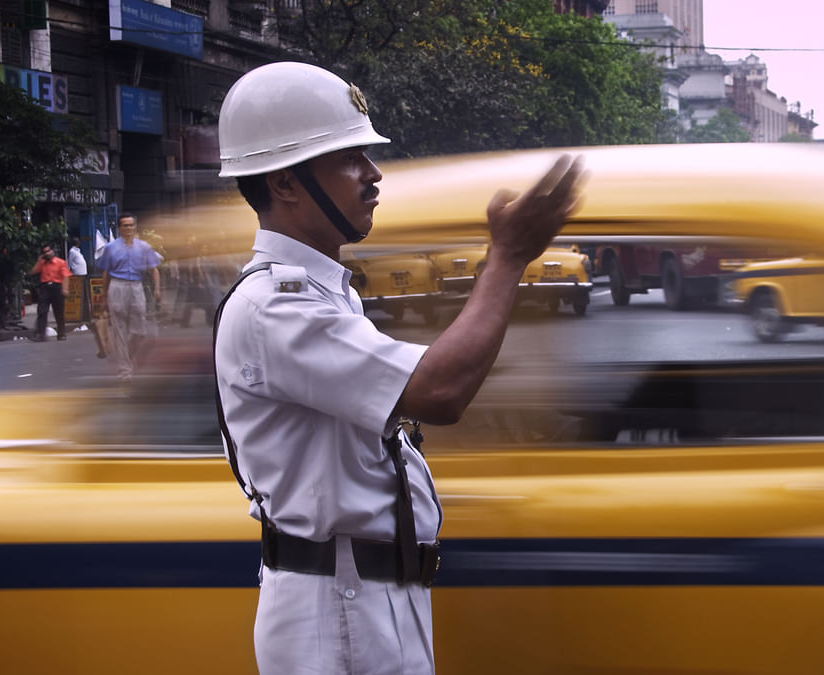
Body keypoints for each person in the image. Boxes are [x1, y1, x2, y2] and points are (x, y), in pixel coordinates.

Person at [213, 62, 583, 675]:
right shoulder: (274, 307)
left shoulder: (325, 294)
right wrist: (510, 255)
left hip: (366, 596)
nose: (373, 174)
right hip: (337, 612)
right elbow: (440, 389)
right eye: (351, 158)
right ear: (284, 182)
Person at [99, 214, 162, 378]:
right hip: (117, 286)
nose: (128, 228)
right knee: (119, 329)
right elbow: (105, 273)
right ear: (119, 228)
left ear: (135, 227)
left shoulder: (144, 247)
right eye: (125, 225)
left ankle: (127, 355)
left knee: (140, 331)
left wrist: (157, 289)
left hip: (136, 287)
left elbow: (154, 268)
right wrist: (103, 296)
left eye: (131, 225)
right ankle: (124, 369)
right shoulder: (111, 248)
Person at [29, 244, 71, 341]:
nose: (47, 254)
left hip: (57, 288)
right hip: (45, 288)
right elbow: (33, 272)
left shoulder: (60, 262)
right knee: (42, 311)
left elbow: (66, 276)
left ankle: (61, 333)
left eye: (49, 251)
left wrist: (65, 289)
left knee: (59, 312)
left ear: (53, 251)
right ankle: (41, 334)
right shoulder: (42, 263)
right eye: (45, 252)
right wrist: (39, 261)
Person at [67, 237, 90, 322]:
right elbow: (70, 262)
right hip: (77, 274)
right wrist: (68, 272)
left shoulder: (77, 251)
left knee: (84, 295)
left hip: (82, 273)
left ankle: (85, 315)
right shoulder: (72, 251)